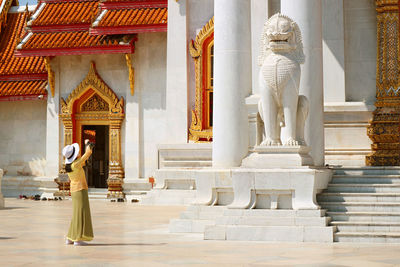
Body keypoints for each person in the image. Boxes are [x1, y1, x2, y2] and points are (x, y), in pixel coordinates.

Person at [62, 140, 94, 246]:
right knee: (80, 213)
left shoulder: (69, 165)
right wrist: (87, 143)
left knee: (76, 213)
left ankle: (70, 237)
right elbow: (88, 153)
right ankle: (77, 239)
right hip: (80, 189)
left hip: (74, 190)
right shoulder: (76, 164)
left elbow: (85, 158)